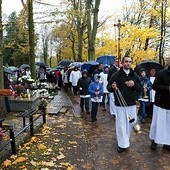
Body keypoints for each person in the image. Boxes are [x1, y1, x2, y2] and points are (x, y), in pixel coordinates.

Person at [107, 56, 142, 153]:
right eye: (126, 61)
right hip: (120, 105)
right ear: (122, 63)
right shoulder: (116, 75)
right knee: (121, 125)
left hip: (131, 104)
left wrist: (134, 85)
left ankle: (126, 140)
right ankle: (122, 144)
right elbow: (108, 87)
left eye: (130, 62)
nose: (128, 63)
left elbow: (140, 88)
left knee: (131, 124)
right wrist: (112, 87)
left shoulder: (134, 76)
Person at [149, 65, 170, 151]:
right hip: (160, 102)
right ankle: (154, 141)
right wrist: (167, 88)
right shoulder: (162, 73)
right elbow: (155, 86)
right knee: (157, 123)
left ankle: (167, 142)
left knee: (168, 125)